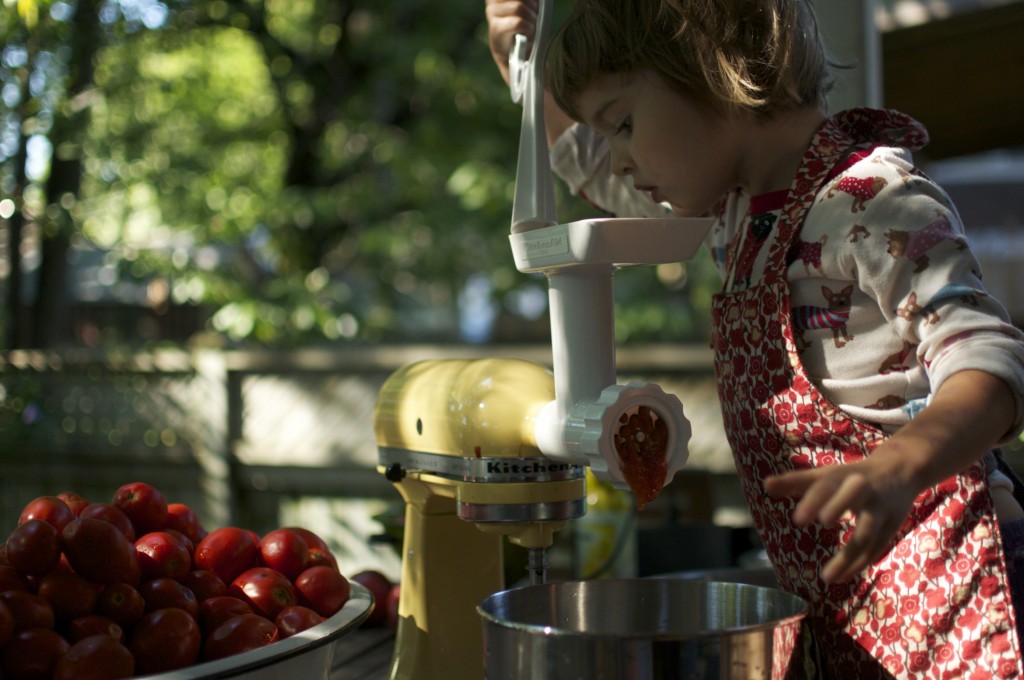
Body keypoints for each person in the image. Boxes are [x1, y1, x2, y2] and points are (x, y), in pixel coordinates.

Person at [486, 0, 1024, 677]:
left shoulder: (874, 201)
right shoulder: (738, 218)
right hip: (855, 607)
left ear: (713, 62)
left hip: (966, 585)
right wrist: (520, 67)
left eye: (623, 123)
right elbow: (593, 172)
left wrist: (901, 465)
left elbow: (992, 362)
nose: (617, 160)